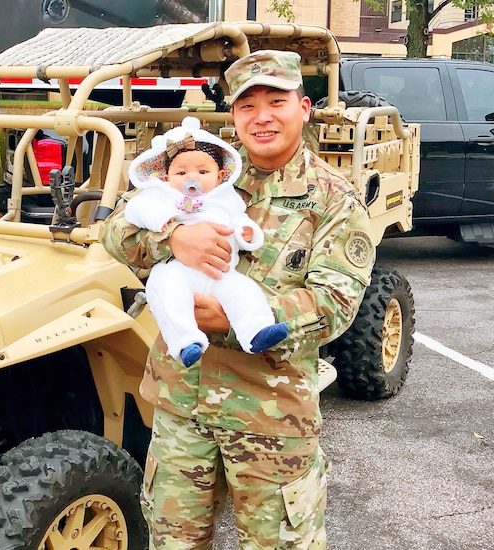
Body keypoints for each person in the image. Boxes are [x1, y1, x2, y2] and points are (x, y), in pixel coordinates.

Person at [102, 49, 376, 549]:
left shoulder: (334, 198)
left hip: (270, 416)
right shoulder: (206, 169)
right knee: (173, 542)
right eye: (247, 106)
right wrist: (171, 239)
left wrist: (228, 318)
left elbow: (335, 303)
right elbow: (116, 229)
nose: (262, 116)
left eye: (277, 100)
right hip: (182, 405)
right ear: (233, 115)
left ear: (304, 107)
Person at [124, 116, 289, 367]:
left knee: (244, 291)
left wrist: (246, 234)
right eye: (181, 172)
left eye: (203, 172)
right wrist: (170, 228)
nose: (193, 178)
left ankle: (256, 330)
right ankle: (184, 341)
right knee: (166, 291)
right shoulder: (162, 195)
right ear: (167, 177)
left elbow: (238, 221)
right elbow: (134, 210)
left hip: (220, 272)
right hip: (177, 270)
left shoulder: (225, 197)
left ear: (221, 175)